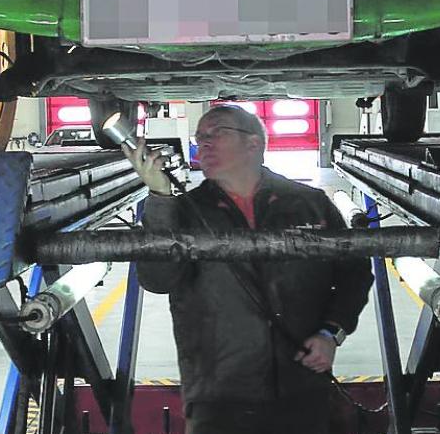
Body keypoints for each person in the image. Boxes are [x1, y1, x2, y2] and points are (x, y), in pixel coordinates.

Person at [122, 104, 374, 434]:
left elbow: (354, 273)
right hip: (218, 396)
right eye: (200, 137)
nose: (204, 143)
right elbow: (158, 280)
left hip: (302, 388)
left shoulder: (311, 203)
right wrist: (159, 196)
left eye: (218, 133)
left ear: (254, 143)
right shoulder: (182, 210)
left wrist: (332, 332)